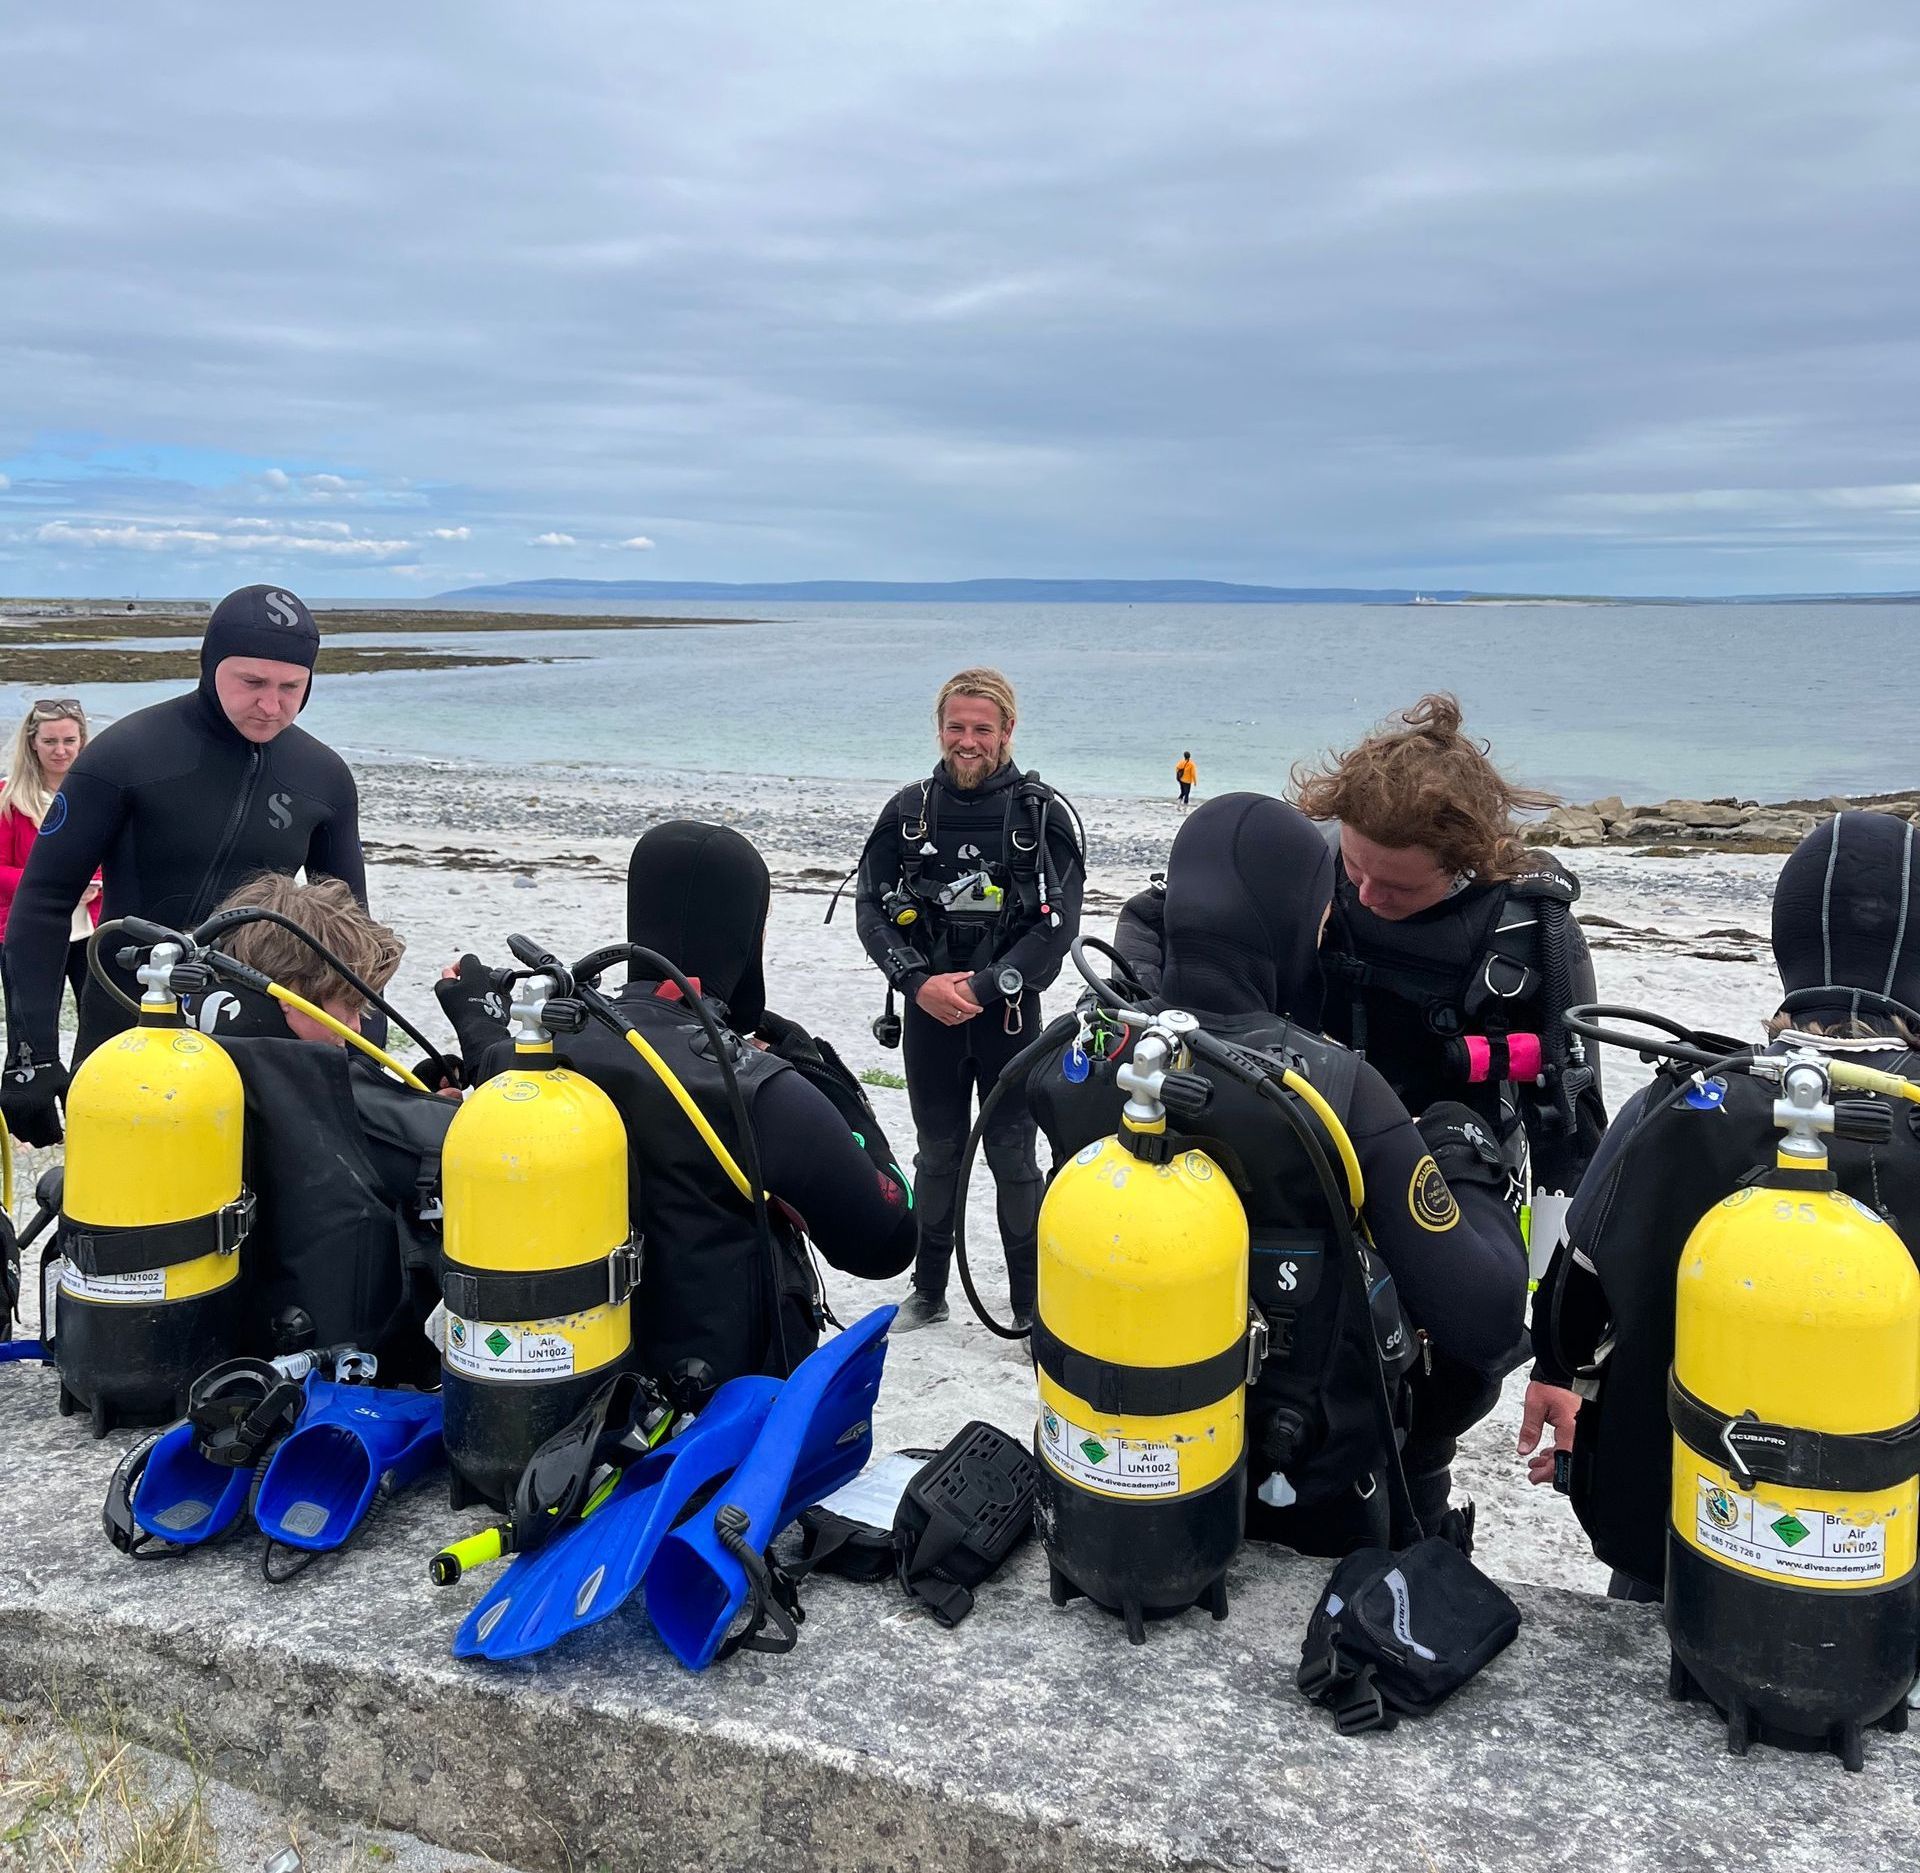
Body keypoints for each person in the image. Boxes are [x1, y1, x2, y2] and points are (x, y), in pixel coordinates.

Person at [1031, 794, 1529, 1551]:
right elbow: (1485, 1320)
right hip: (1312, 1483)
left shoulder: (1085, 1058)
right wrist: (1461, 1146)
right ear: (1294, 916)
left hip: (1122, 1455)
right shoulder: (1334, 1091)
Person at [1520, 810, 1920, 1599]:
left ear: (1786, 940)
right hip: (1889, 1575)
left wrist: (1558, 1371)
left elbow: (1572, 1301)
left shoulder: (1680, 1103)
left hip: (1675, 1543)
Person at [440, 819, 916, 1394]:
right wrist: (826, 1078)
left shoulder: (529, 1058)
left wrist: (472, 1017)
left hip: (554, 1378)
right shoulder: (761, 1091)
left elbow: (485, 1056)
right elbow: (886, 1242)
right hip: (713, 1402)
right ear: (749, 936)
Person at [1, 584, 366, 1146]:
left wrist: (364, 1045)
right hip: (128, 1015)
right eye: (252, 683)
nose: (271, 706)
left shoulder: (324, 777)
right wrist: (31, 1056)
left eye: (291, 687)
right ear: (210, 665)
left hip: (257, 1030)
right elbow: (45, 902)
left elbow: (347, 927)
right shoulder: (124, 754)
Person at [1291, 695, 1608, 1217]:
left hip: (1454, 1168)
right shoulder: (1306, 867)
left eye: (1397, 886)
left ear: (1467, 864)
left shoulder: (1530, 932)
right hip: (1312, 1139)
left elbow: (1573, 1124)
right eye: (1355, 866)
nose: (1367, 895)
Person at [852, 668, 1085, 1331]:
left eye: (982, 728)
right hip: (929, 1013)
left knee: (1014, 1158)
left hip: (1008, 1015)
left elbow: (1059, 924)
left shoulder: (1041, 816)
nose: (968, 740)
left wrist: (984, 987)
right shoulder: (907, 811)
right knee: (937, 1153)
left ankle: (1027, 1307)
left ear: (1008, 730)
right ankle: (928, 1292)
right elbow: (870, 906)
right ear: (940, 728)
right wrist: (915, 982)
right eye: (956, 727)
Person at [185, 872, 452, 1384]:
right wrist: (482, 1036)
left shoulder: (182, 1066)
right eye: (350, 1005)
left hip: (211, 1344)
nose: (355, 1029)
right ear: (290, 998)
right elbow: (493, 1148)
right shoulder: (325, 1094)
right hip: (338, 1363)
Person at [0, 699, 101, 1034]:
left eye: (69, 741)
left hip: (91, 931)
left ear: (82, 742)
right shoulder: (8, 799)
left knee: (98, 1025)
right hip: (31, 930)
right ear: (33, 743)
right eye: (50, 741)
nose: (60, 751)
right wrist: (54, 887)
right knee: (30, 1030)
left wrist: (96, 882)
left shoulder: (100, 793)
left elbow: (118, 857)